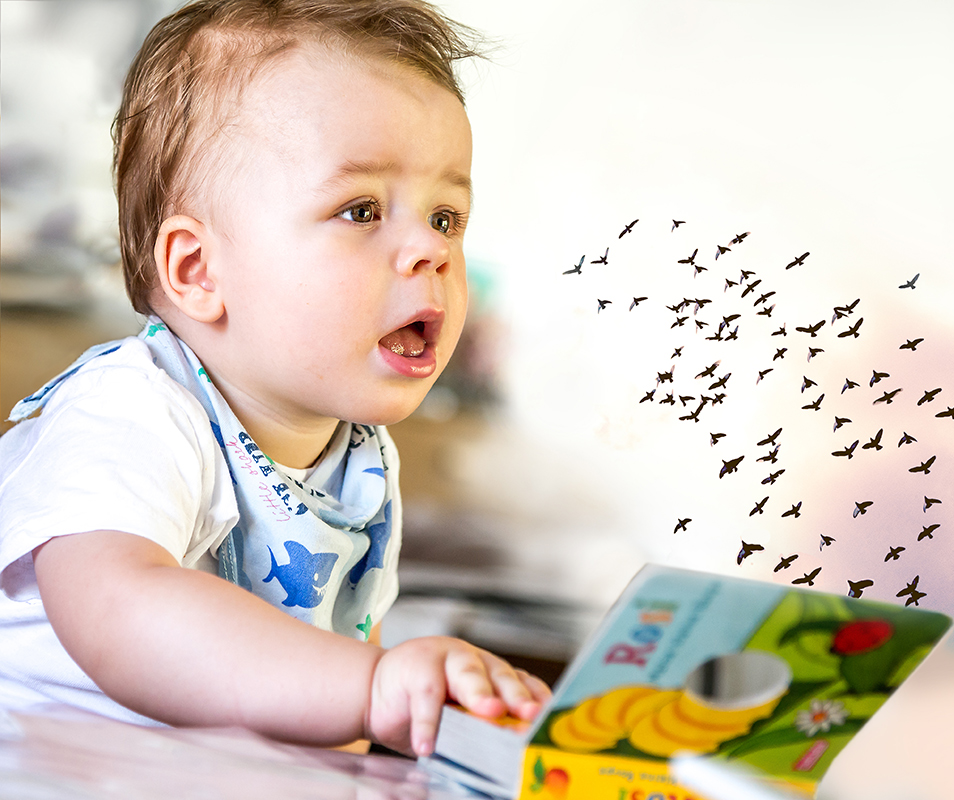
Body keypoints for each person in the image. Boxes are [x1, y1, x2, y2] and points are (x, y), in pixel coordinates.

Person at [0, 0, 549, 758]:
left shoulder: (360, 458)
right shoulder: (130, 411)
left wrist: (391, 715)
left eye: (446, 216)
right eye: (361, 210)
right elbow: (118, 610)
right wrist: (372, 688)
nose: (429, 249)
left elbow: (338, 656)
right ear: (197, 270)